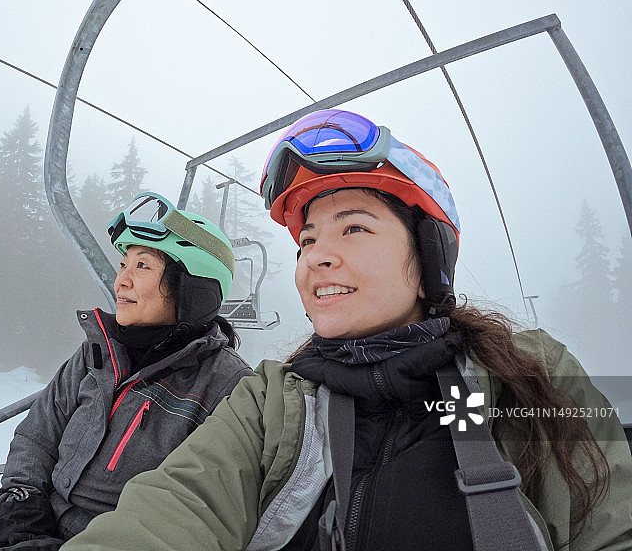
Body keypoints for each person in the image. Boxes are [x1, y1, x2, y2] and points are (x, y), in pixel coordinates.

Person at [62, 110, 632, 551]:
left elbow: (609, 520)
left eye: (354, 229)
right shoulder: (277, 401)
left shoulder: (514, 376)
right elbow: (181, 507)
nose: (317, 258)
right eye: (308, 240)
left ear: (427, 255)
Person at [0, 192, 253, 550]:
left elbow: (197, 516)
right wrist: (24, 502)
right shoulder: (99, 352)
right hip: (34, 519)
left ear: (194, 289)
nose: (121, 280)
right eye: (124, 264)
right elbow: (36, 435)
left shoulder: (225, 389)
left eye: (143, 266)